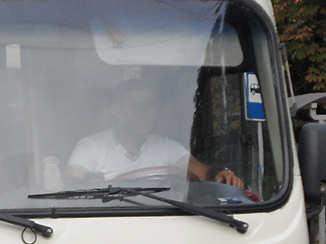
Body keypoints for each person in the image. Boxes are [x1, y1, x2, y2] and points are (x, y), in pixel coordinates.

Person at [66, 79, 243, 187]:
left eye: (150, 106)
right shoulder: (91, 146)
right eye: (137, 106)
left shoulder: (167, 147)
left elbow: (203, 173)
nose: (147, 113)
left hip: (161, 222)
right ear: (117, 111)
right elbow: (73, 184)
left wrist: (220, 174)